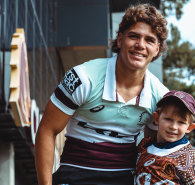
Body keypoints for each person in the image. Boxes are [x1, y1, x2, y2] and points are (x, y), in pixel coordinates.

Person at [35, 3, 169, 185]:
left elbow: (157, 148)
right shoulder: (83, 78)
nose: (140, 45)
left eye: (149, 40)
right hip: (75, 174)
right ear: (120, 40)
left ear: (157, 49)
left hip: (125, 177)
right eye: (134, 36)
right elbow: (47, 130)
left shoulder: (162, 98)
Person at [136, 90, 195, 185]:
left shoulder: (191, 156)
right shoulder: (144, 145)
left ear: (190, 127)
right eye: (168, 119)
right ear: (157, 118)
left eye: (181, 122)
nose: (173, 127)